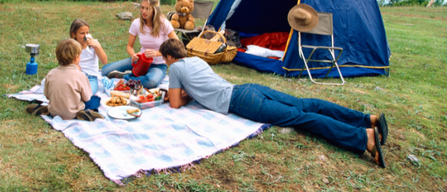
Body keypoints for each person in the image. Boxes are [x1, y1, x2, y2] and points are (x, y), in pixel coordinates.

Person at [159, 39, 389, 168]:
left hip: (240, 100)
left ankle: (364, 138)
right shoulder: (196, 60)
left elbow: (176, 105)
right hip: (248, 88)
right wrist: (188, 94)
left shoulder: (176, 68)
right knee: (305, 104)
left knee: (301, 118)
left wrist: (175, 95)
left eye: (164, 59)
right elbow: (201, 88)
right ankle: (367, 119)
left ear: (169, 57)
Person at [101, 0, 179, 88]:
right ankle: (136, 75)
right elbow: (129, 46)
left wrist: (157, 53)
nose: (144, 11)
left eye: (147, 8)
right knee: (104, 71)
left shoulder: (164, 23)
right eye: (142, 7)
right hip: (140, 61)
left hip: (158, 65)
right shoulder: (136, 23)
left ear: (154, 9)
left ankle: (126, 76)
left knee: (151, 82)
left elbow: (177, 44)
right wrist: (133, 55)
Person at [26, 38, 103, 121]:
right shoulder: (81, 76)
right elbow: (87, 98)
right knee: (95, 99)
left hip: (53, 111)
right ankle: (84, 112)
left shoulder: (51, 73)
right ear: (76, 58)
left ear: (57, 57)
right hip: (72, 112)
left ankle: (47, 110)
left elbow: (47, 96)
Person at [69, 19, 108, 95]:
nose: (85, 36)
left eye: (87, 32)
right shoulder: (71, 46)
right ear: (74, 34)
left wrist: (98, 46)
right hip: (76, 75)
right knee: (70, 91)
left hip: (91, 77)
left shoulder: (93, 44)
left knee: (88, 93)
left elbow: (104, 61)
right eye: (82, 33)